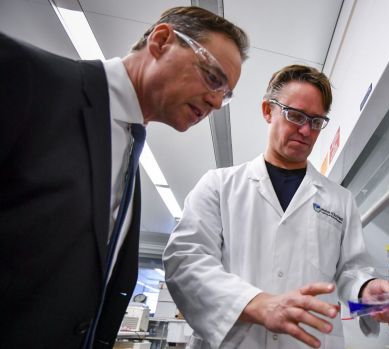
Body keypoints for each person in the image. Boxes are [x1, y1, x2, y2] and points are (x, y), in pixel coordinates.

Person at [0, 6, 248, 349]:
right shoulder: (22, 75)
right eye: (213, 77)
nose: (217, 102)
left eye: (226, 93)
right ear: (161, 40)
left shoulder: (128, 147)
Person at [163, 64, 389, 349]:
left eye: (317, 121)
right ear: (268, 111)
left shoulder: (340, 200)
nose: (306, 130)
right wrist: (255, 304)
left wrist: (367, 288)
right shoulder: (219, 186)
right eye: (295, 115)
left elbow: (350, 271)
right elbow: (185, 261)